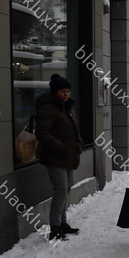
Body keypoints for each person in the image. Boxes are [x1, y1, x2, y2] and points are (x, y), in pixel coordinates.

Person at [35, 74, 84, 241]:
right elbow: (42, 133)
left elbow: (72, 129)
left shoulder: (67, 107)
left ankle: (62, 222)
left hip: (69, 155)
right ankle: (55, 226)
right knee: (61, 190)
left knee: (67, 188)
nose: (66, 94)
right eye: (63, 91)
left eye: (68, 91)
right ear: (55, 91)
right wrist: (61, 147)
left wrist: (79, 142)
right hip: (56, 157)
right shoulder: (48, 108)